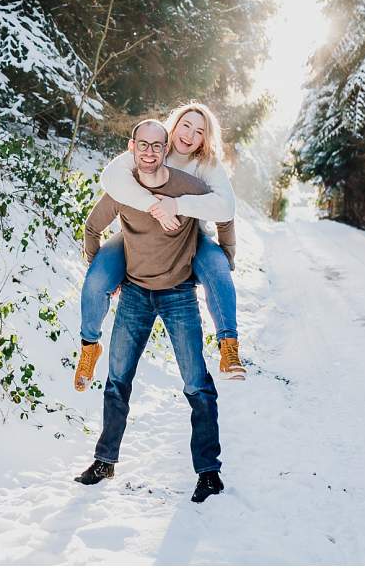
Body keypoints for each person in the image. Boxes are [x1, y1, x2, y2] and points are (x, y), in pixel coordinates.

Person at [72, 119, 226, 503]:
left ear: (166, 147)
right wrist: (109, 273)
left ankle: (209, 473)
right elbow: (92, 228)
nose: (151, 152)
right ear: (132, 147)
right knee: (117, 381)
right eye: (144, 145)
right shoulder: (123, 187)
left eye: (158, 146)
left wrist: (228, 255)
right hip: (136, 295)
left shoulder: (185, 185)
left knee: (197, 385)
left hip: (179, 295)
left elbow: (226, 209)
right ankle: (104, 461)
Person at [74, 102, 245, 394]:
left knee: (218, 269)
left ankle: (229, 347)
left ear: (206, 139)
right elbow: (111, 178)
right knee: (97, 279)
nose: (190, 135)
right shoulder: (155, 146)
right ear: (173, 125)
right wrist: (155, 207)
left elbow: (225, 208)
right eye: (185, 126)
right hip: (136, 234)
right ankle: (89, 347)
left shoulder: (207, 165)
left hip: (189, 235)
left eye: (199, 131)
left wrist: (179, 206)